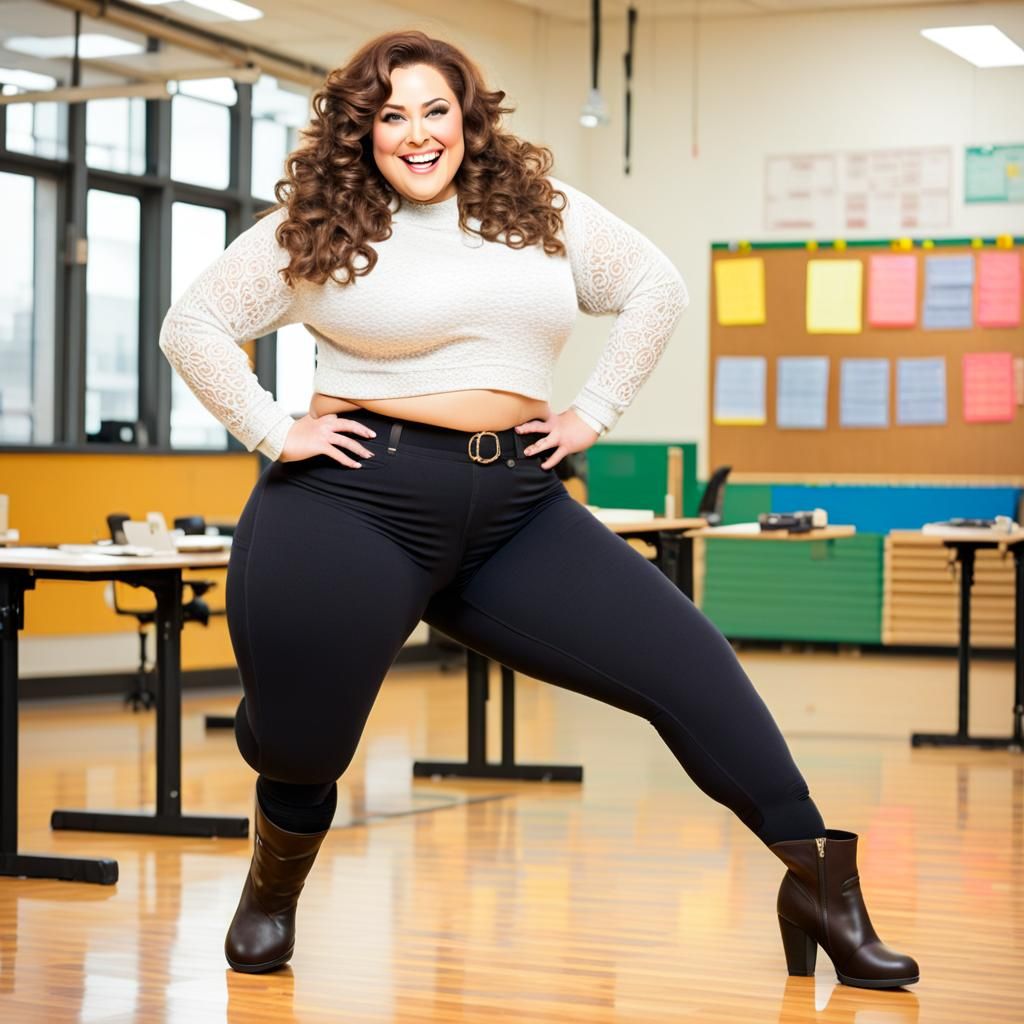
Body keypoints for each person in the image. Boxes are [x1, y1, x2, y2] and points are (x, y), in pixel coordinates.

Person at [159, 30, 918, 990]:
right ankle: (272, 880)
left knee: (689, 666)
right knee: (306, 743)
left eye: (436, 110)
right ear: (365, 132)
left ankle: (820, 883)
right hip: (353, 499)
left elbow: (655, 288)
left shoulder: (536, 209)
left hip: (515, 505)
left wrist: (593, 411)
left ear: (467, 118)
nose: (418, 134)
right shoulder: (321, 224)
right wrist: (274, 430)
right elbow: (193, 325)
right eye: (392, 117)